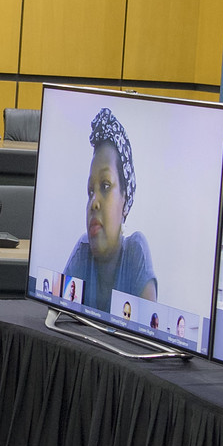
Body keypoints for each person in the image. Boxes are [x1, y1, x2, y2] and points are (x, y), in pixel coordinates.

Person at [61, 108, 158, 311]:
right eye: (90, 191)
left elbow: (147, 332)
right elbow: (60, 311)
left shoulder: (135, 251)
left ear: (125, 197)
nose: (94, 202)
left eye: (105, 186)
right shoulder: (83, 250)